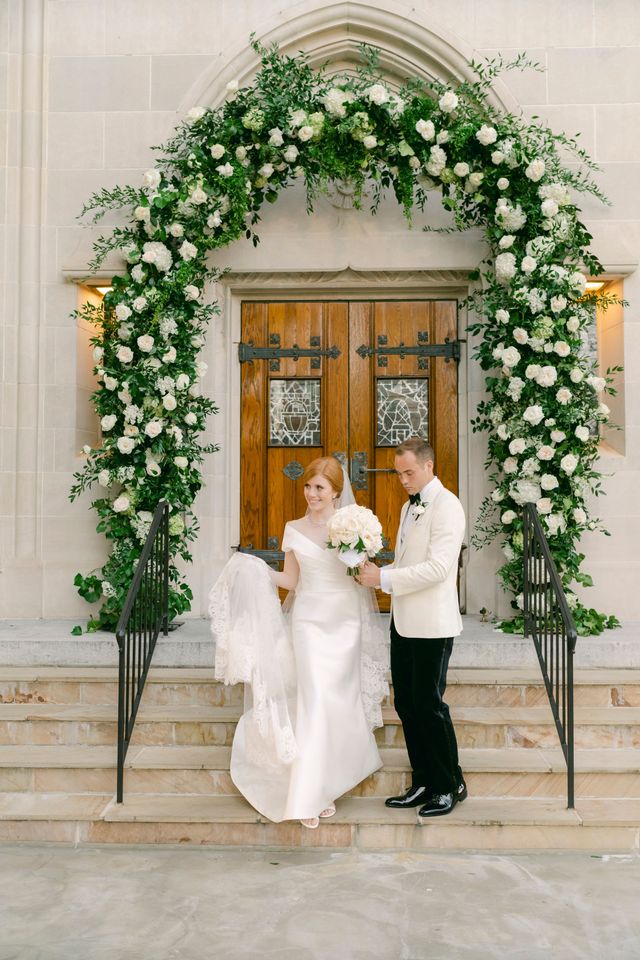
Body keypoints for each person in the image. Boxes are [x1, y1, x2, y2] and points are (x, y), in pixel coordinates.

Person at [209, 456, 387, 829]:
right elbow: (290, 581)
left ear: (336, 491)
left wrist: (360, 558)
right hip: (308, 622)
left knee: (339, 700)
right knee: (315, 699)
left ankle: (334, 775)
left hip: (345, 621)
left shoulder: (352, 526)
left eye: (319, 487)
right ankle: (310, 792)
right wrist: (257, 569)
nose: (311, 494)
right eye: (308, 486)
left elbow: (360, 578)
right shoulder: (293, 528)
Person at [357, 437, 467, 818]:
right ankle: (423, 779)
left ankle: (448, 785)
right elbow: (409, 560)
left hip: (433, 624)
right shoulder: (409, 507)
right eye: (398, 472)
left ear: (428, 466)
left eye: (409, 472)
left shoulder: (447, 506)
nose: (402, 479)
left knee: (429, 704)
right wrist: (376, 573)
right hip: (403, 621)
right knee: (406, 703)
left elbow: (439, 569)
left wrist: (384, 580)